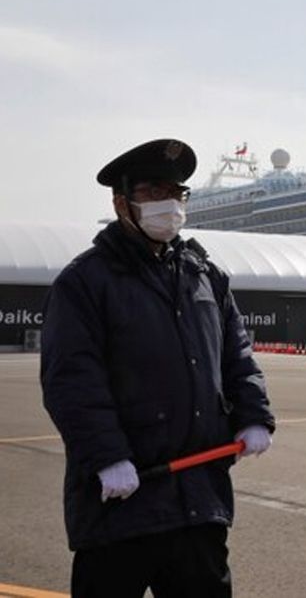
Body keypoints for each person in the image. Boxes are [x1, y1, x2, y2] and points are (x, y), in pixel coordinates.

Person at [40, 138, 275, 597]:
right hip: (121, 501)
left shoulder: (205, 275)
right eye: (152, 191)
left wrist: (253, 415)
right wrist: (107, 457)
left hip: (198, 500)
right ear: (120, 201)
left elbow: (237, 354)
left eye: (176, 191)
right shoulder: (85, 281)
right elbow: (72, 381)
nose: (168, 203)